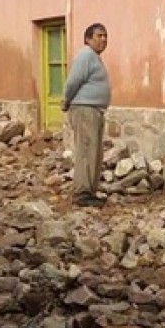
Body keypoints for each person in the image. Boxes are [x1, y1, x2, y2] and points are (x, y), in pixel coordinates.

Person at [61, 23, 110, 207]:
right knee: (86, 150)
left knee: (95, 152)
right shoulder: (85, 56)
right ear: (88, 39)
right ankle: (82, 193)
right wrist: (66, 100)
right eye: (99, 36)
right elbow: (73, 81)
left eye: (105, 36)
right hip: (85, 109)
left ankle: (90, 191)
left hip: (94, 110)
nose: (103, 39)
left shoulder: (94, 58)